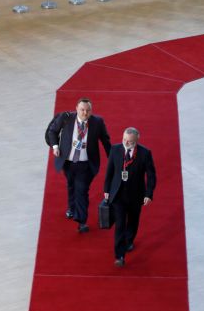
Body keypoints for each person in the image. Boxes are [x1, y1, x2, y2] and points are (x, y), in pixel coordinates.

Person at [47, 98, 111, 232]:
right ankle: (71, 208)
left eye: (88, 110)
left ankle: (82, 221)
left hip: (86, 164)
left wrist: (112, 157)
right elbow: (52, 131)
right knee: (71, 185)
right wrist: (55, 146)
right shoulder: (66, 118)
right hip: (68, 162)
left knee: (81, 190)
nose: (85, 113)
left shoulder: (97, 122)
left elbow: (105, 140)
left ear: (91, 111)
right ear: (76, 108)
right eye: (82, 109)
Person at [103, 127, 156, 267]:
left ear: (137, 140)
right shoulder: (115, 150)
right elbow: (109, 171)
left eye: (130, 141)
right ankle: (119, 256)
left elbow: (151, 176)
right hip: (118, 195)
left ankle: (129, 240)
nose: (126, 143)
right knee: (120, 224)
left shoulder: (145, 153)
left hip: (136, 195)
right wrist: (106, 190)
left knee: (133, 221)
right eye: (124, 139)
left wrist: (148, 194)